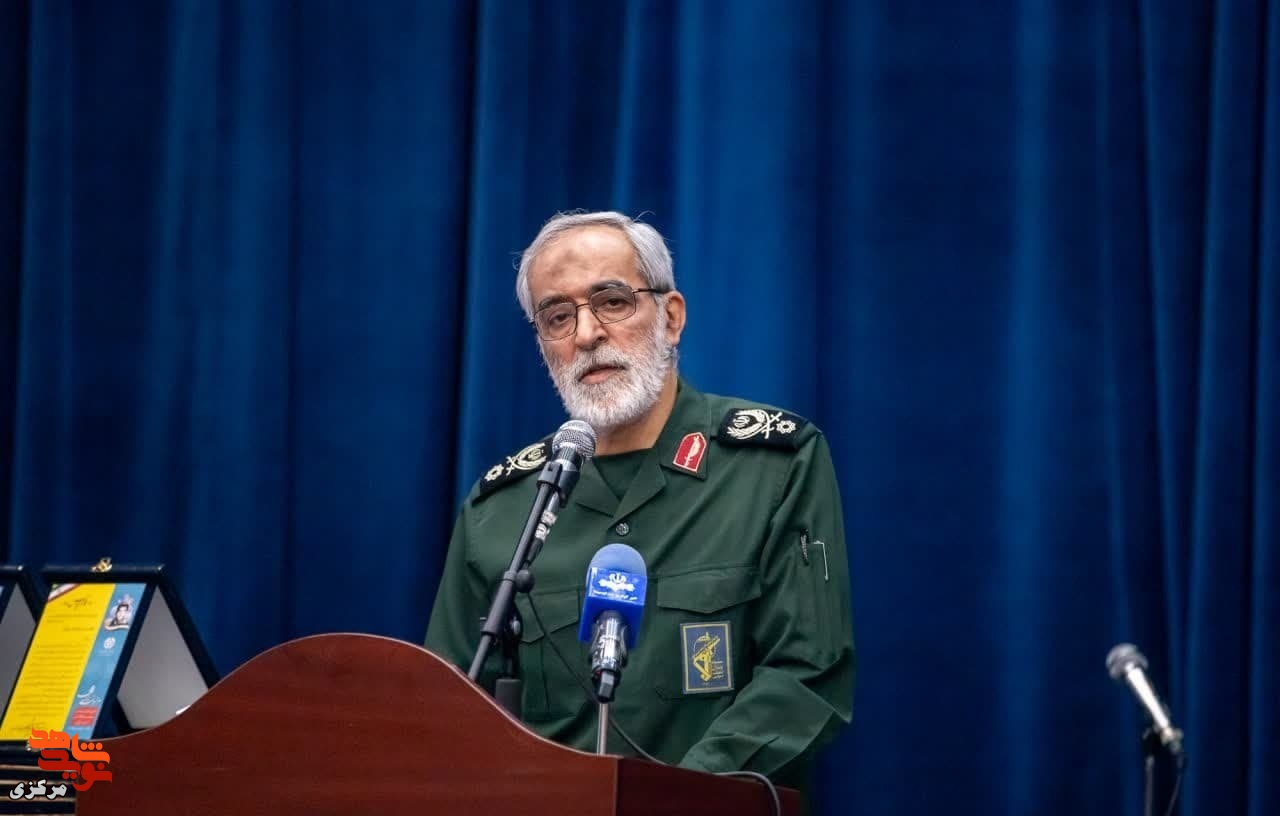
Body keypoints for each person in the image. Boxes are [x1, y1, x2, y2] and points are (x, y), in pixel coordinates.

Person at [425, 211, 854, 793]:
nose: (586, 334)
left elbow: (806, 678)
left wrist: (672, 802)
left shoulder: (775, 466)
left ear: (670, 317)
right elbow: (449, 717)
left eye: (612, 302)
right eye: (558, 316)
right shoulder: (502, 509)